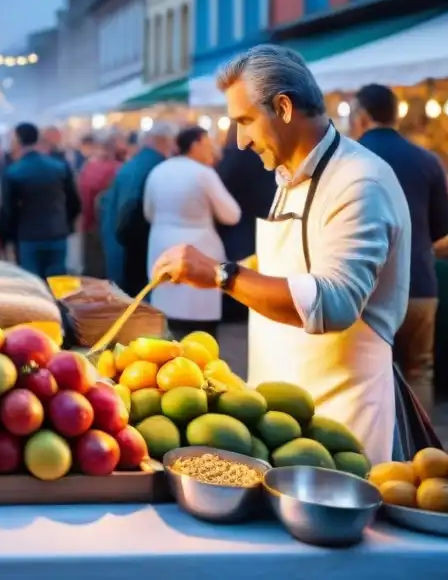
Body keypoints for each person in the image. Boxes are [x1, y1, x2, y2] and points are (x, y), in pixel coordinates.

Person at [152, 45, 412, 465]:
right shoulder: (289, 176)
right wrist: (250, 268)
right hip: (281, 417)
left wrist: (222, 274)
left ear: (284, 108)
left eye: (245, 121)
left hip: (339, 424)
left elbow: (335, 303)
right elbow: (302, 263)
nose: (239, 140)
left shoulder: (360, 182)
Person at [351, 83, 448, 414]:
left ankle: (383, 450)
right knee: (420, 369)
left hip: (371, 287)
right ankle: (420, 452)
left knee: (370, 372)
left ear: (363, 116)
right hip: (421, 283)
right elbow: (446, 224)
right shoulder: (428, 160)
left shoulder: (350, 158)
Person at [145, 126, 240, 338]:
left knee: (166, 327)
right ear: (195, 144)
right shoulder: (204, 173)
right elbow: (232, 214)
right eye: (208, 144)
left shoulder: (158, 170)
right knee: (199, 334)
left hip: (160, 245)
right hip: (199, 248)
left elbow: (148, 211)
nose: (212, 150)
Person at [0, 122, 81, 278]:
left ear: (17, 140)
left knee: (33, 286)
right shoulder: (60, 167)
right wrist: (66, 224)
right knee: (60, 284)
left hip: (28, 237)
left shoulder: (13, 172)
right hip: (57, 234)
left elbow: (9, 211)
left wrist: (8, 237)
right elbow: (74, 202)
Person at [102, 122, 175, 295]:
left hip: (118, 241)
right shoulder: (156, 165)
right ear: (163, 141)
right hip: (137, 245)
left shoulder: (134, 164)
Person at [216, 121, 278, 323]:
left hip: (236, 224)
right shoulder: (269, 155)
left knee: (239, 266)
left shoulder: (230, 158)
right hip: (263, 219)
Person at [78, 130, 121, 278]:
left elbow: (83, 197)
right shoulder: (118, 168)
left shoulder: (88, 167)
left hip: (90, 224)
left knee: (92, 267)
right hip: (111, 226)